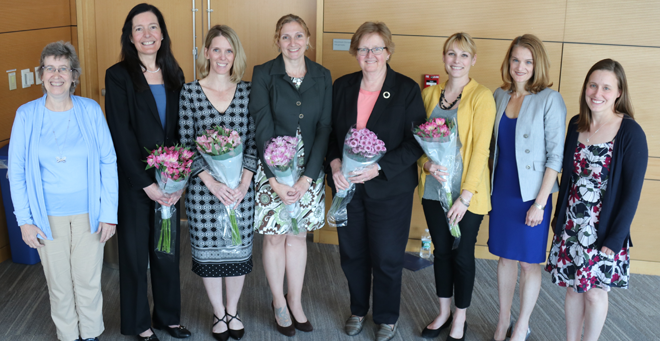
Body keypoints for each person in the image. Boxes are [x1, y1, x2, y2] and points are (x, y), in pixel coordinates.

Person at [8, 41, 118, 341]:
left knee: (88, 281)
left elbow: (109, 161)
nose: (56, 75)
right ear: (41, 74)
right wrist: (24, 220)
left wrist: (109, 213)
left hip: (89, 214)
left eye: (63, 69)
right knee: (58, 283)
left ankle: (91, 334)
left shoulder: (90, 110)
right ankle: (68, 336)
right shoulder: (26, 115)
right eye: (50, 68)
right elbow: (16, 172)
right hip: (47, 217)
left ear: (74, 75)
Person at [327, 21, 425, 341]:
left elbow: (415, 143)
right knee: (352, 253)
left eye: (377, 48)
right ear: (356, 52)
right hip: (347, 187)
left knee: (386, 255)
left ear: (388, 52)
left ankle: (386, 316)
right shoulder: (341, 87)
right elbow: (327, 134)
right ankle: (357, 309)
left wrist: (379, 168)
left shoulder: (406, 89)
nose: (370, 54)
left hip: (389, 188)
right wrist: (335, 162)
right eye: (364, 48)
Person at [104, 4, 190, 340]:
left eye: (152, 27)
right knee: (136, 255)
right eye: (138, 29)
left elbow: (182, 128)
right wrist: (145, 184)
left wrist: (179, 178)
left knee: (167, 251)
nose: (147, 35)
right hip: (135, 183)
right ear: (129, 36)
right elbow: (121, 134)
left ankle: (168, 317)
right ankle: (139, 324)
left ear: (162, 33)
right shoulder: (119, 74)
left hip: (171, 181)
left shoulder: (173, 72)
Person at [545, 59, 647, 341]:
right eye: (592, 85)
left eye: (605, 87)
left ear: (618, 92)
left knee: (594, 293)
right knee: (572, 288)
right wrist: (559, 219)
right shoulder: (576, 124)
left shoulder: (631, 133)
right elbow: (567, 178)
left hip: (604, 231)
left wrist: (614, 240)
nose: (597, 93)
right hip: (572, 226)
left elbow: (631, 194)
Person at [249, 14, 331, 337]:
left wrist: (306, 179)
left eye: (299, 36)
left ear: (308, 39)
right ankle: (278, 301)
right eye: (286, 37)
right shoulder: (263, 74)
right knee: (274, 237)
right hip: (271, 172)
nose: (293, 43)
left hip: (309, 170)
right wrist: (275, 179)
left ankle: (295, 301)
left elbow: (325, 127)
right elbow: (262, 127)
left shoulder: (322, 76)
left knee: (298, 237)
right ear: (277, 40)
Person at [178, 24, 256, 341]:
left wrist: (243, 184)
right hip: (203, 192)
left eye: (228, 50)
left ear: (235, 54)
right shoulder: (190, 92)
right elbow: (185, 145)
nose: (222, 56)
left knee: (237, 253)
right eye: (216, 49)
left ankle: (233, 310)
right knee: (209, 253)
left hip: (240, 190)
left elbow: (253, 144)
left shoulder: (249, 92)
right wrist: (212, 183)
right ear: (206, 52)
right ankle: (218, 312)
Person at [487, 34, 566, 341]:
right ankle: (503, 320)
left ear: (538, 65)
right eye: (516, 60)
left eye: (528, 61)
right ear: (509, 62)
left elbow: (555, 156)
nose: (521, 67)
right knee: (505, 257)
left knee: (529, 261)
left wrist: (540, 203)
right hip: (501, 190)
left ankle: (523, 324)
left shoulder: (549, 98)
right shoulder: (499, 94)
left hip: (532, 195)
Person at [418, 32, 496, 341]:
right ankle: (443, 311)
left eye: (464, 55)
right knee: (440, 253)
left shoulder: (481, 97)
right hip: (433, 191)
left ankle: (460, 318)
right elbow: (417, 143)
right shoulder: (428, 95)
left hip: (467, 196)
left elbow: (480, 151)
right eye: (451, 54)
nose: (457, 61)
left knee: (462, 255)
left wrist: (465, 197)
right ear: (443, 57)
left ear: (473, 60)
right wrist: (426, 165)